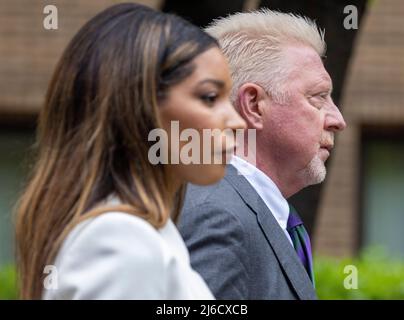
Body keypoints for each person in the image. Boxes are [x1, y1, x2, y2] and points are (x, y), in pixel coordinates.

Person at [15, 3, 245, 300]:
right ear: (139, 106)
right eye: (210, 97)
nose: (237, 122)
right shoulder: (122, 239)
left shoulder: (143, 235)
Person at [179, 9, 347, 299]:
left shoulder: (236, 207)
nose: (338, 120)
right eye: (318, 97)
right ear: (254, 105)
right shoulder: (217, 214)